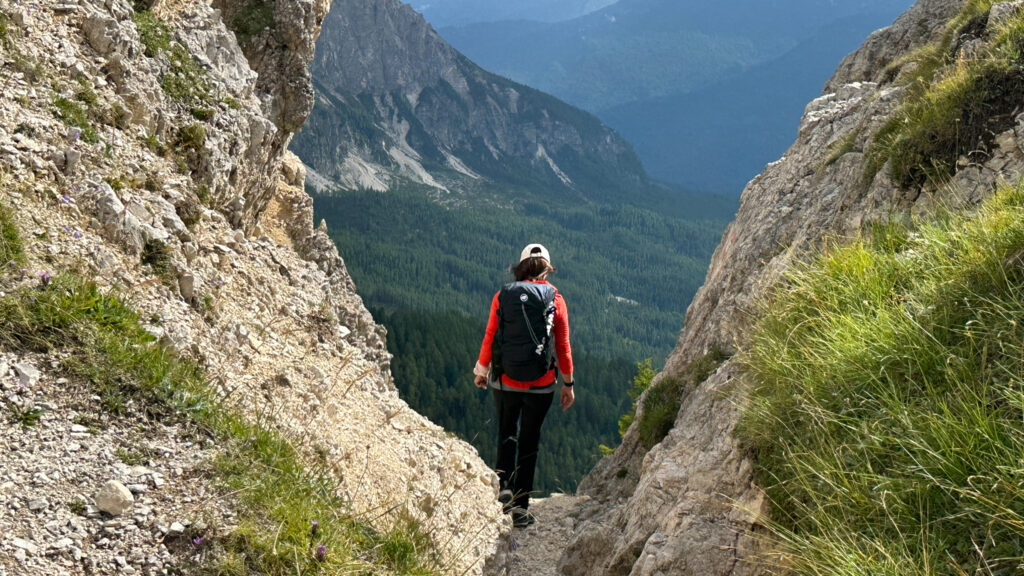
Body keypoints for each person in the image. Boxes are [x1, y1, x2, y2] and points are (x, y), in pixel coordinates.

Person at [473, 243, 575, 528]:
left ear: (520, 268)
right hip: (541, 384)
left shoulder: (502, 296)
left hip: (504, 380)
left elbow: (490, 334)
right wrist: (568, 383)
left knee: (507, 433)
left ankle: (503, 489)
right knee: (529, 443)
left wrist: (482, 370)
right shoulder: (556, 298)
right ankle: (520, 508)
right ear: (546, 269)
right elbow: (563, 347)